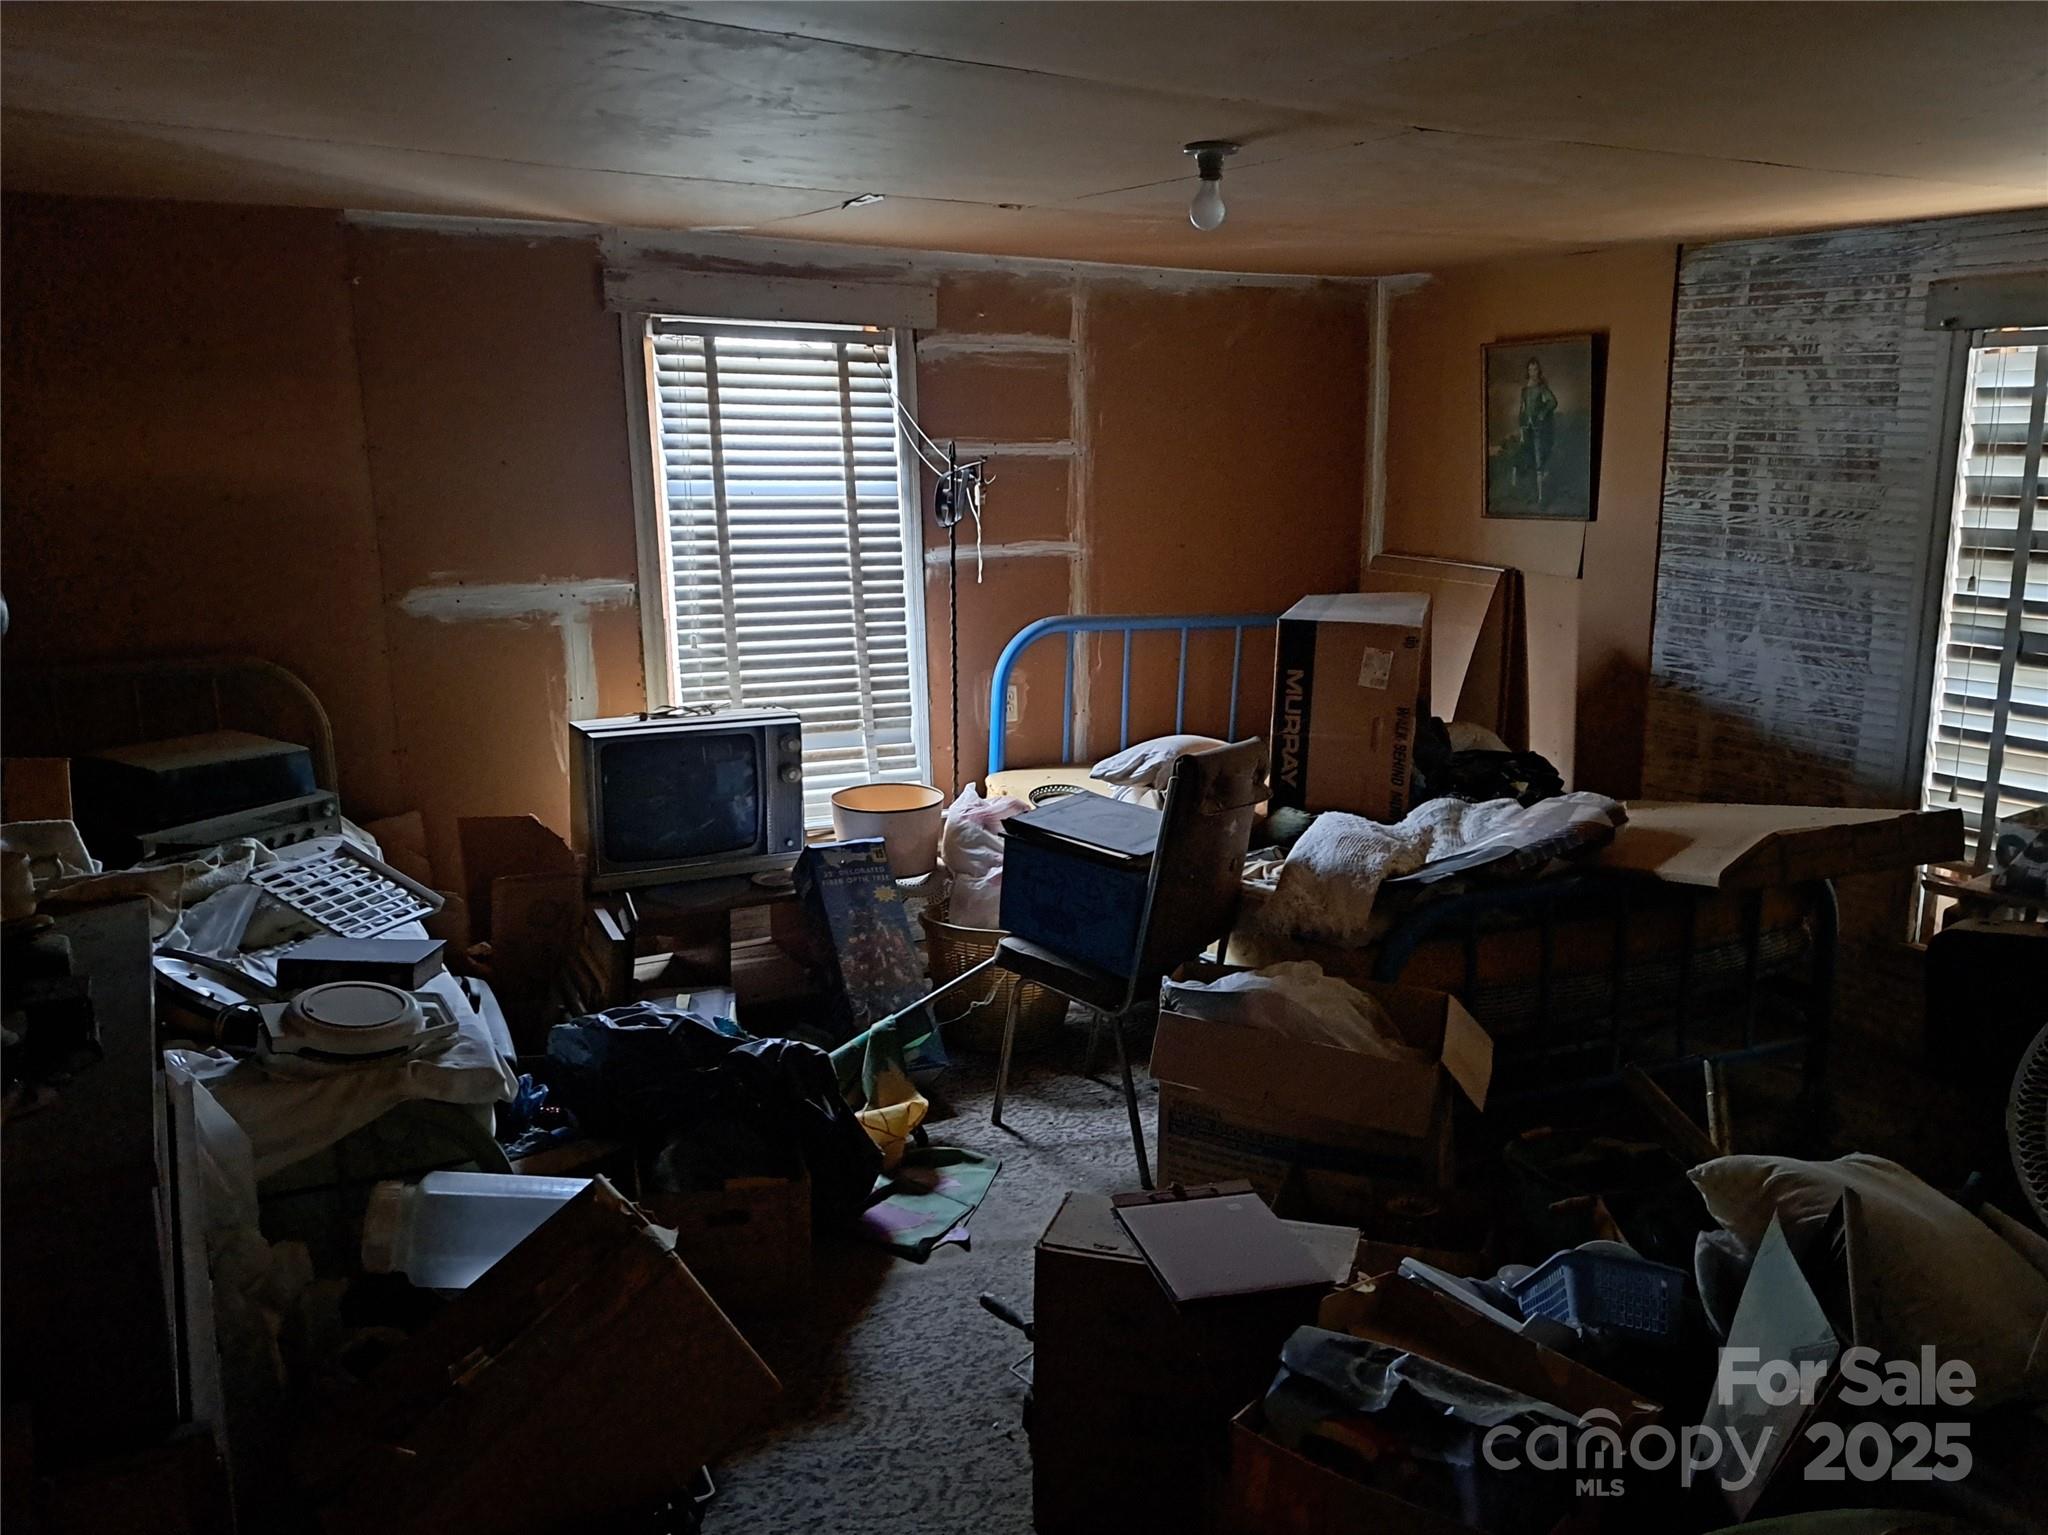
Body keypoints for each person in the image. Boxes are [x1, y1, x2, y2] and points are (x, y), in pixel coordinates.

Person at [1516, 358, 1558, 507]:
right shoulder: (1524, 390)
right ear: (1527, 371)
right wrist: (1521, 431)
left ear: (1538, 371)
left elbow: (1553, 402)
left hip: (1539, 430)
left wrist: (1542, 413)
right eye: (1530, 369)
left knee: (1539, 462)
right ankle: (1532, 495)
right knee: (1529, 462)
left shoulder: (1542, 388)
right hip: (1527, 430)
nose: (1532, 372)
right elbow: (1522, 411)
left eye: (1535, 369)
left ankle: (1541, 498)